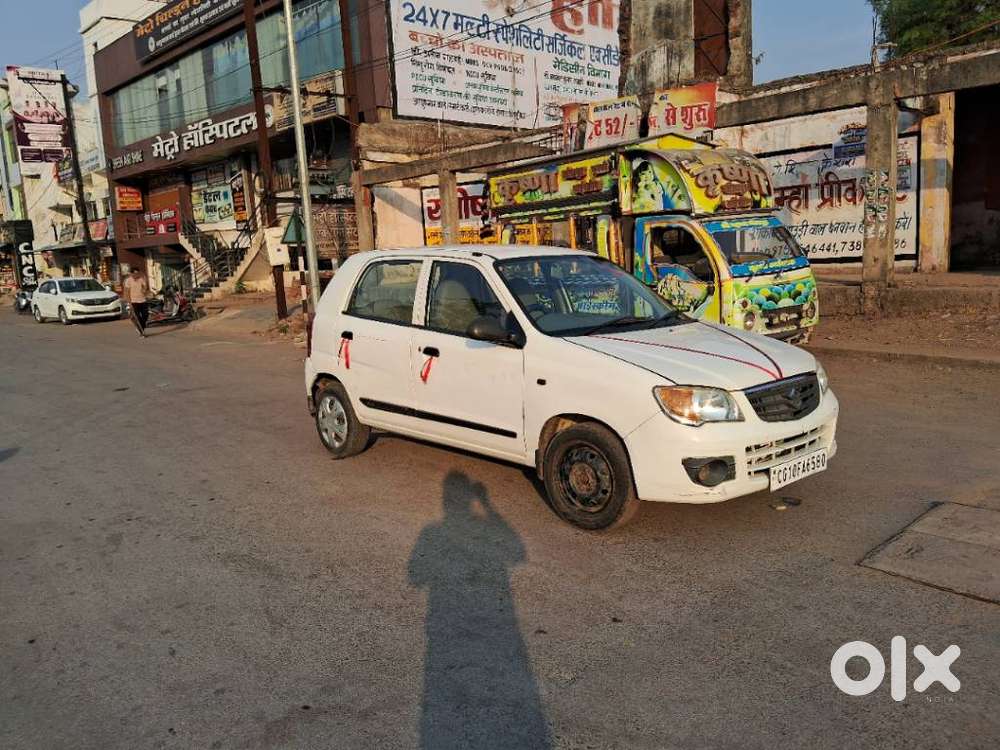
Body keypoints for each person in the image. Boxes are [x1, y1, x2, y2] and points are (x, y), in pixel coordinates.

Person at [123, 267, 152, 337]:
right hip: (133, 301)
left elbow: (145, 287)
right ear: (131, 274)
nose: (137, 275)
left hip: (143, 300)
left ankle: (140, 328)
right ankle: (142, 333)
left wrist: (145, 289)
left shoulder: (141, 279)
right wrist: (129, 303)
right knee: (137, 317)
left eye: (138, 273)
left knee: (145, 315)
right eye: (135, 273)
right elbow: (126, 292)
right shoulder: (128, 281)